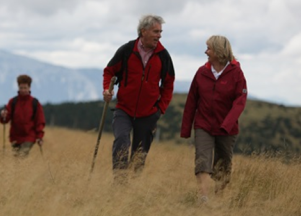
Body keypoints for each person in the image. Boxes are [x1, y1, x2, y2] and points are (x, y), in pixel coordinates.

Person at [103, 14, 175, 182]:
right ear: (143, 31)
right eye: (155, 31)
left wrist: (160, 109)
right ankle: (120, 183)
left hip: (149, 113)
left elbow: (169, 83)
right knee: (121, 141)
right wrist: (107, 89)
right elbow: (109, 71)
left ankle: (133, 190)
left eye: (160, 32)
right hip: (124, 109)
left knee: (139, 156)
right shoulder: (127, 50)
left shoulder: (163, 56)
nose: (159, 35)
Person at [180, 35, 247, 204]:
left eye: (208, 48)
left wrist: (227, 124)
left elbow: (240, 101)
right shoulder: (201, 72)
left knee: (223, 164)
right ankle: (203, 197)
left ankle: (219, 198)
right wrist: (186, 128)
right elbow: (191, 101)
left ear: (219, 51)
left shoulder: (236, 73)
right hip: (203, 124)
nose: (205, 52)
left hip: (227, 128)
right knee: (202, 158)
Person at [0, 74, 46, 158]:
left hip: (29, 136)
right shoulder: (13, 102)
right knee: (17, 161)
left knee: (21, 157)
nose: (23, 90)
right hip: (15, 137)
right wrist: (3, 115)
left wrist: (39, 137)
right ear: (18, 87)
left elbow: (40, 121)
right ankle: (23, 171)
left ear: (29, 88)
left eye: (25, 88)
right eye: (21, 88)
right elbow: (5, 120)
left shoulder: (35, 103)